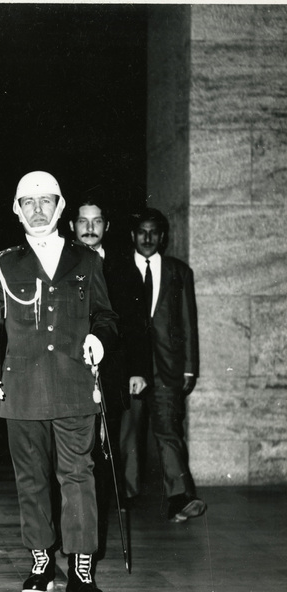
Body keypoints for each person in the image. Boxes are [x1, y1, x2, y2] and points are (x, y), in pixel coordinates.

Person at [0, 171, 117, 592]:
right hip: (22, 388)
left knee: (78, 475)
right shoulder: (3, 262)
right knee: (30, 479)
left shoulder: (87, 261)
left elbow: (107, 316)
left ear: (60, 207)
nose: (37, 210)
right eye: (28, 203)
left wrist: (100, 338)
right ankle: (40, 561)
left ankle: (80, 572)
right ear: (17, 210)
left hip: (75, 385)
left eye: (46, 202)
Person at [69, 196, 149, 552]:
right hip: (68, 374)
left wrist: (139, 370)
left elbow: (136, 325)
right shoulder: (61, 262)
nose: (89, 228)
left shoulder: (122, 267)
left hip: (111, 374)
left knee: (103, 452)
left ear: (106, 227)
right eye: (83, 221)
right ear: (72, 225)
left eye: (96, 221)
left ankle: (93, 541)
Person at [120, 208, 205, 523]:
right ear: (133, 236)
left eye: (153, 232)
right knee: (127, 432)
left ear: (163, 237)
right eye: (141, 231)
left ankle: (180, 498)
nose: (147, 238)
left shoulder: (178, 272)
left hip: (167, 369)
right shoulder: (119, 270)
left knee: (169, 431)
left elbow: (188, 322)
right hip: (131, 370)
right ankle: (125, 495)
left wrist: (189, 368)